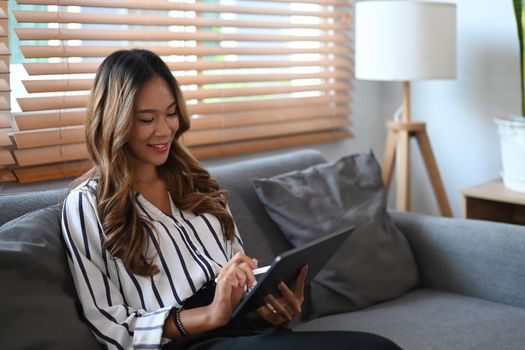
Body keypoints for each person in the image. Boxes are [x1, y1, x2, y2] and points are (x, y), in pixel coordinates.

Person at [61, 49, 402, 350]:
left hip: (244, 332)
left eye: (171, 113)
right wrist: (209, 315)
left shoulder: (199, 185)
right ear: (114, 121)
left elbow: (239, 279)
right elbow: (111, 327)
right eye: (147, 119)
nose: (164, 130)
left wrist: (269, 308)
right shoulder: (87, 205)